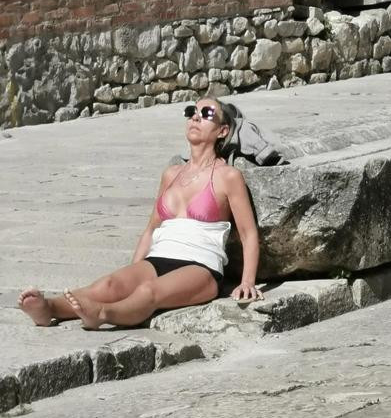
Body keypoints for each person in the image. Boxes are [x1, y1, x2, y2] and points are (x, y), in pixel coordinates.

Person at [18, 98, 263, 330]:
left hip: (201, 266)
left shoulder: (228, 176)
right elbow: (151, 229)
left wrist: (247, 282)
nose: (195, 118)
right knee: (109, 285)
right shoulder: (171, 173)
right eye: (192, 112)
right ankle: (48, 307)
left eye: (207, 113)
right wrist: (131, 273)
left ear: (222, 130)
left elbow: (248, 233)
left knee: (148, 292)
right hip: (159, 257)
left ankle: (101, 314)